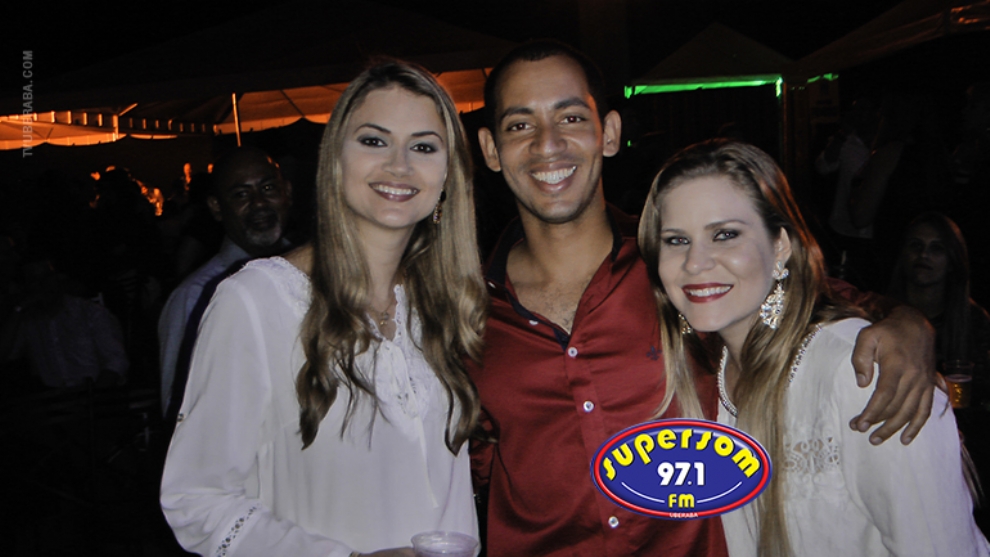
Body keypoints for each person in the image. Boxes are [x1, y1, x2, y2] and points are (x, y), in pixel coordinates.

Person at [469, 40, 936, 557]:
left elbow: (810, 297)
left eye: (571, 117)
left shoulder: (681, 271)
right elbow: (468, 460)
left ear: (610, 133)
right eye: (520, 125)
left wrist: (906, 321)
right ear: (490, 150)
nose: (547, 143)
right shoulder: (463, 312)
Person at [160, 60, 486, 557]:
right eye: (374, 140)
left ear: (447, 175)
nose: (399, 165)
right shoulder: (257, 302)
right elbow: (196, 499)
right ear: (335, 159)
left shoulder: (443, 304)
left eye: (424, 146)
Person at [638, 138, 989, 557]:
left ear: (780, 246)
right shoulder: (710, 375)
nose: (695, 262)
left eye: (725, 234)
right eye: (676, 240)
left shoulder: (861, 372)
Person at [157, 147, 293, 414]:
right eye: (241, 194)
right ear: (216, 207)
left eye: (268, 188)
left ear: (287, 192)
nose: (259, 203)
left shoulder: (317, 273)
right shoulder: (196, 297)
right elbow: (180, 409)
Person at [888, 212, 990, 389]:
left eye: (937, 248)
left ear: (952, 260)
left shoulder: (975, 320)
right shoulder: (881, 311)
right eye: (916, 245)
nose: (923, 255)